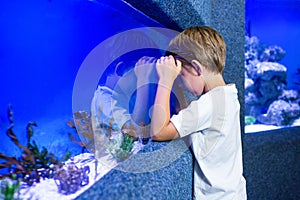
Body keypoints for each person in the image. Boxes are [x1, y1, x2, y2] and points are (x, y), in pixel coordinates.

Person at [150, 26, 247, 199]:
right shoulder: (228, 96)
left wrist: (165, 80)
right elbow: (187, 117)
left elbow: (158, 132)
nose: (179, 81)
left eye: (181, 76)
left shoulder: (210, 103)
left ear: (196, 68)